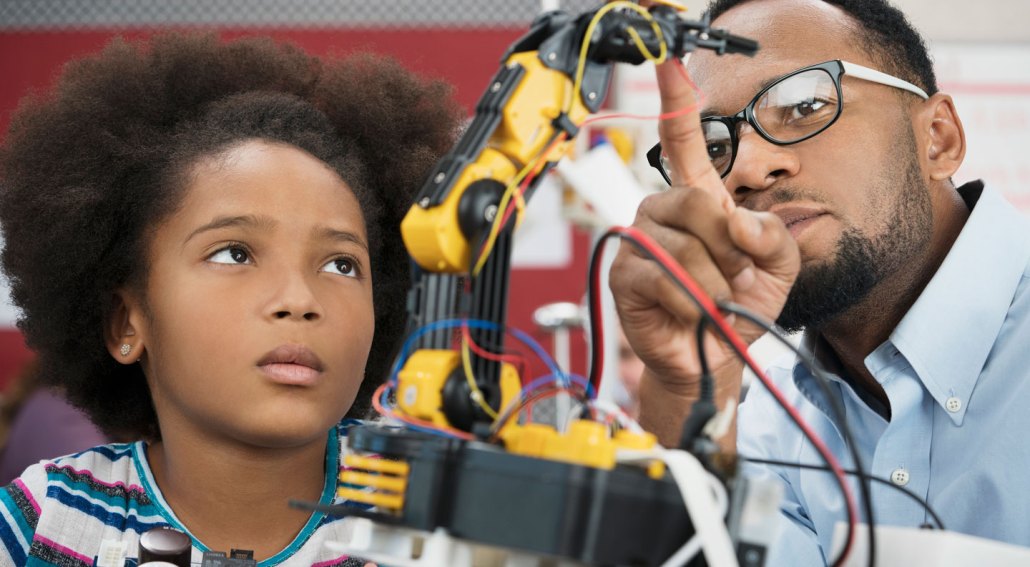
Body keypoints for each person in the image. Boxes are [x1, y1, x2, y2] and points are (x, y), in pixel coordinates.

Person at [0, 33, 461, 565]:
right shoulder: (45, 522)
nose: (299, 299)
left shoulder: (440, 511)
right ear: (126, 323)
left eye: (342, 264)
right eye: (235, 254)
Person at [611, 0, 1030, 564]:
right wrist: (685, 390)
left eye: (803, 105)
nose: (748, 171)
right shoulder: (758, 417)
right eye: (714, 147)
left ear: (938, 138)